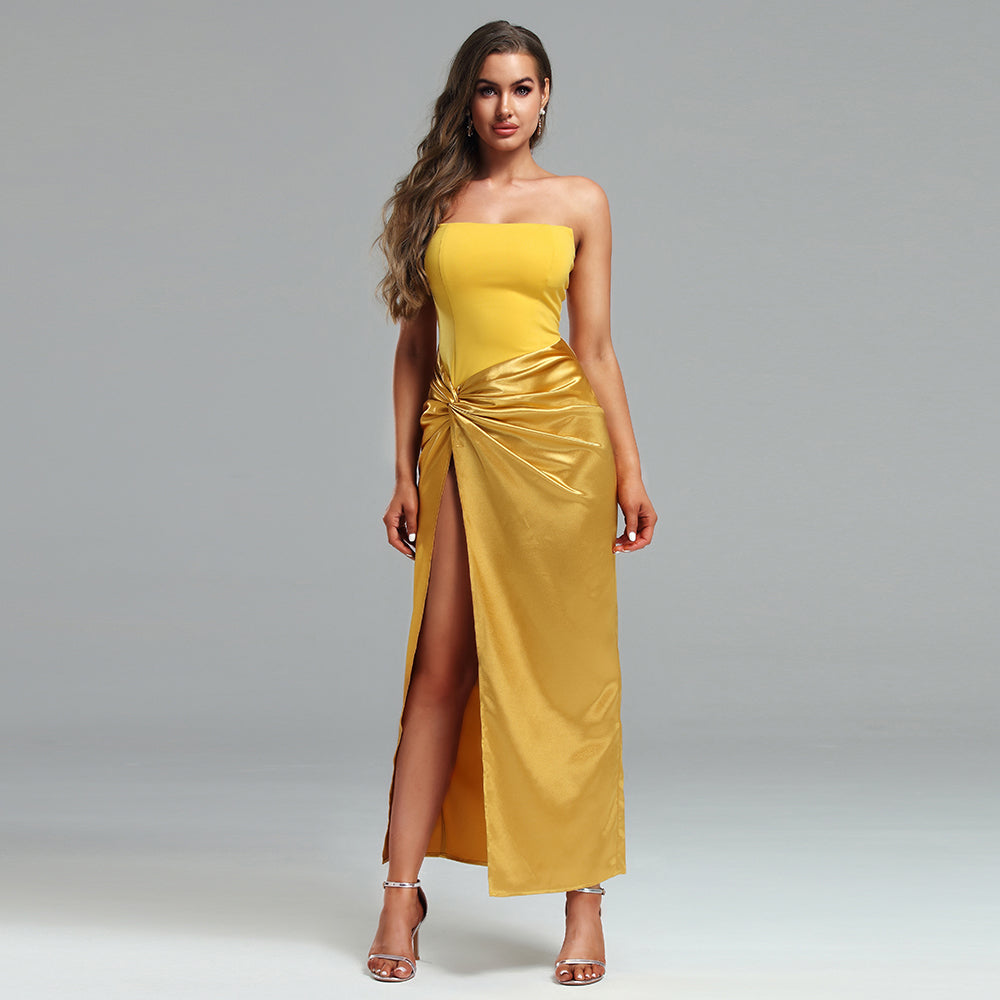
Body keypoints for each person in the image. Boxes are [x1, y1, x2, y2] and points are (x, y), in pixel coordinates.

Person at [366, 20, 656, 986]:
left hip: (557, 450)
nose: (505, 107)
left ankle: (584, 907)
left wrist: (630, 471)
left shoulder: (580, 200)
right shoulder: (434, 202)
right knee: (438, 671)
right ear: (467, 97)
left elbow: (596, 347)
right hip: (459, 445)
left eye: (523, 88)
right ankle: (399, 896)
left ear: (546, 97)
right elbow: (415, 346)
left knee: (569, 675)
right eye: (489, 88)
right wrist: (403, 470)